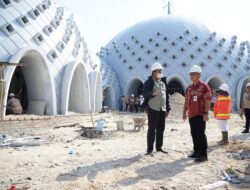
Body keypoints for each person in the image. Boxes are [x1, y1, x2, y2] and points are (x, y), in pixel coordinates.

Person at [183, 65, 211, 162]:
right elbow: (186, 101)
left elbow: (207, 100)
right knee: (194, 133)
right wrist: (184, 112)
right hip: (191, 115)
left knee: (200, 134)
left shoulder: (204, 86)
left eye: (193, 74)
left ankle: (203, 154)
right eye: (190, 74)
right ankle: (196, 151)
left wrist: (206, 113)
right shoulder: (189, 88)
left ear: (199, 75)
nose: (191, 76)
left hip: (200, 114)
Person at [143, 62, 171, 156]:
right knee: (151, 129)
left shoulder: (163, 83)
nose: (160, 72)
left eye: (161, 71)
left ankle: (159, 148)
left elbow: (166, 96)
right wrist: (152, 93)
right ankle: (149, 149)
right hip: (153, 109)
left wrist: (167, 108)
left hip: (162, 109)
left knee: (161, 129)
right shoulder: (149, 82)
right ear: (153, 72)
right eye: (158, 71)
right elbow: (145, 94)